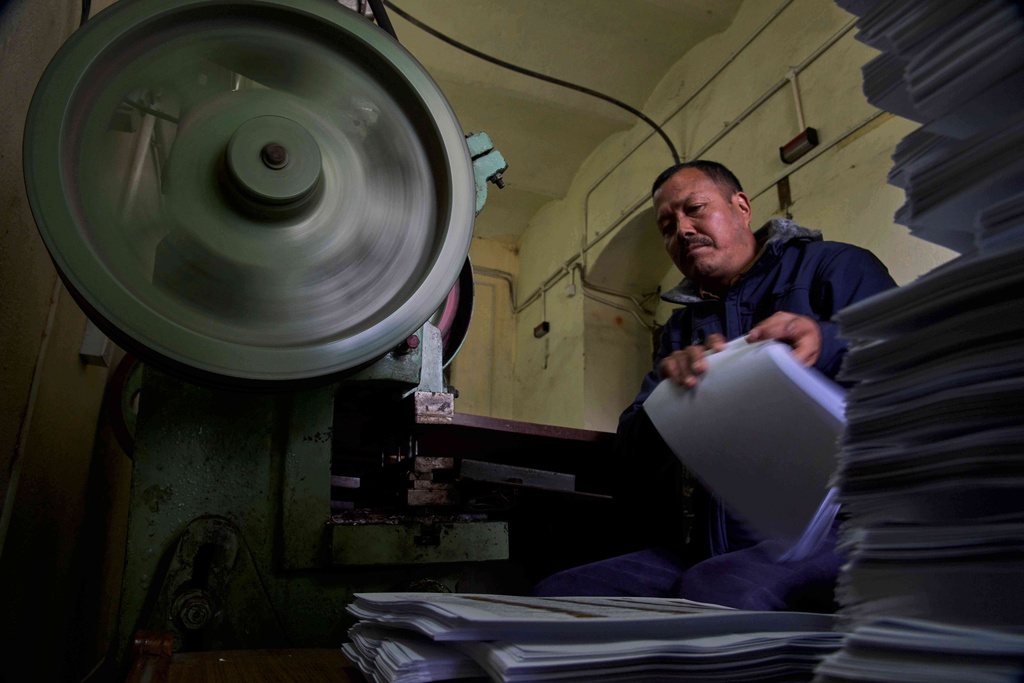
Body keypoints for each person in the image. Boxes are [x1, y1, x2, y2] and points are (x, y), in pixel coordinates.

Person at [533, 160, 897, 611]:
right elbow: (630, 449)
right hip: (708, 548)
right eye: (667, 226)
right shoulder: (680, 331)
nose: (682, 231)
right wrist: (671, 394)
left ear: (741, 207)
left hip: (843, 533)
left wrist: (825, 342)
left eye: (695, 209)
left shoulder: (835, 268)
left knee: (722, 590)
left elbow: (919, 360)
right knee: (559, 598)